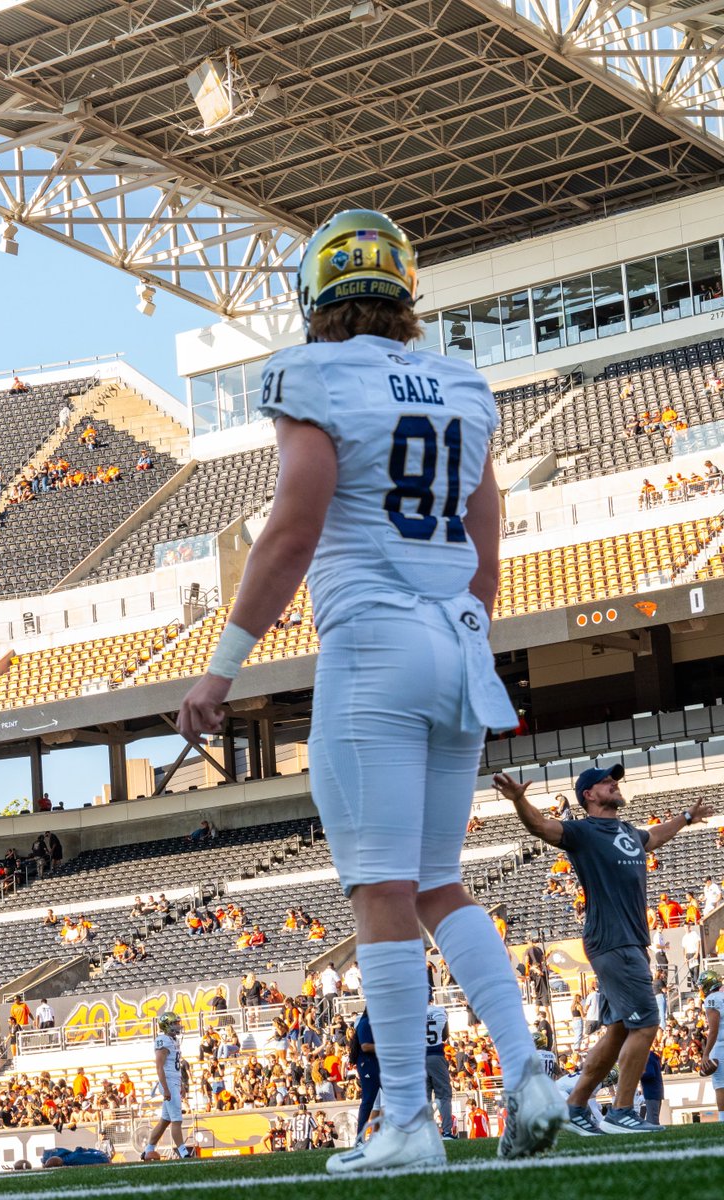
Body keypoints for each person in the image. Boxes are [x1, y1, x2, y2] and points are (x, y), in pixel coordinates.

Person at [177, 207, 564, 1173]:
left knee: (382, 887)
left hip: (376, 641)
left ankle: (406, 1121)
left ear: (318, 293)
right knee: (438, 881)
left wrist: (221, 666)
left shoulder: (314, 374)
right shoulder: (462, 384)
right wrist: (460, 636)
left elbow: (294, 525)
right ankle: (528, 1072)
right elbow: (485, 546)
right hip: (458, 641)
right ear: (403, 289)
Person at [495, 762, 713, 1135]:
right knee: (647, 1022)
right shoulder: (583, 832)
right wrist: (519, 800)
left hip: (630, 941)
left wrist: (687, 817)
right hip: (613, 939)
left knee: (618, 1030)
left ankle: (575, 1106)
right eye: (605, 781)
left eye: (614, 779)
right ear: (589, 795)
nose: (613, 783)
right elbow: (541, 827)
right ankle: (620, 1111)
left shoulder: (627, 831)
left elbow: (653, 837)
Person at [140, 1012, 192, 1161]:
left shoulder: (173, 1040)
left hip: (173, 1081)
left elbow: (175, 1066)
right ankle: (183, 1152)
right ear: (166, 1025)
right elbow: (159, 1066)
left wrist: (181, 1084)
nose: (178, 1025)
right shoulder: (162, 1040)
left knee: (165, 1121)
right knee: (177, 1120)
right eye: (174, 1023)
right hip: (168, 1082)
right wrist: (166, 1088)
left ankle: (148, 1150)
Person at [425, 998, 454, 1140]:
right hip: (436, 1056)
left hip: (418, 1058)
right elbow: (444, 1036)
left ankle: (425, 1133)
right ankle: (447, 1131)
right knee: (443, 1096)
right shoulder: (440, 1011)